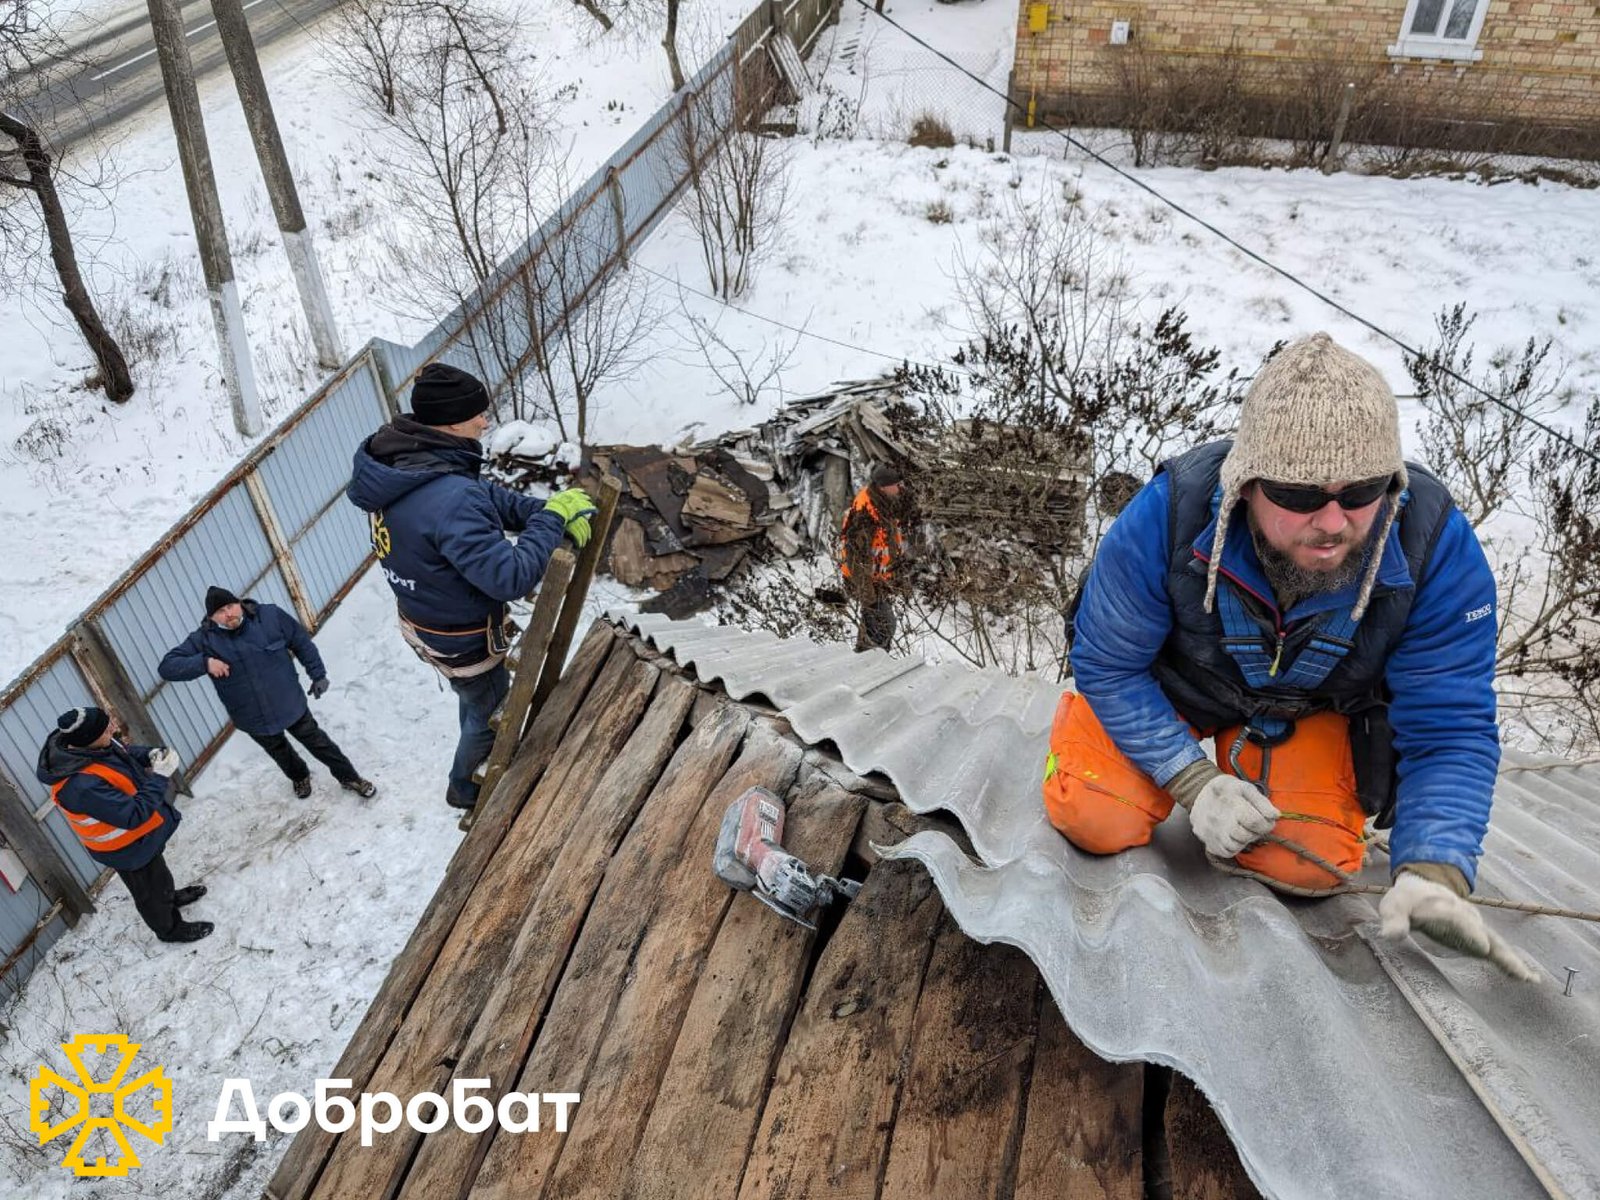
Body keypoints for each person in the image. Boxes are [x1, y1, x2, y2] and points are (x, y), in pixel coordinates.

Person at [1042, 332, 1537, 981]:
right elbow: (1109, 664)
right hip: (1170, 693)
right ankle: (1124, 748)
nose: (1333, 522)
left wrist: (1434, 870)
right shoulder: (1167, 513)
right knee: (1096, 815)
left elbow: (1449, 727)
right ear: (1246, 484)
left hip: (1304, 709)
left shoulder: (1434, 546)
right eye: (1302, 495)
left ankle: (1248, 760)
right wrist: (1193, 782)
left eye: (1360, 492)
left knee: (1307, 865)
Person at [345, 362, 595, 810]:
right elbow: (510, 577)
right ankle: (464, 788)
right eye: (479, 413)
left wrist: (544, 514)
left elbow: (483, 499)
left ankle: (469, 754)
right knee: (487, 711)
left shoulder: (409, 462)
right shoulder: (447, 492)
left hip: (426, 617)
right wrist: (555, 518)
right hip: (459, 635)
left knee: (474, 697)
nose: (486, 421)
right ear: (453, 421)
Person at [159, 587, 375, 800]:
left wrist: (317, 674)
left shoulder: (270, 617)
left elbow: (300, 641)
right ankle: (299, 776)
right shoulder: (204, 640)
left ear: (239, 603)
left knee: (318, 742)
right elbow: (167, 667)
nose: (229, 614)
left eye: (231, 606)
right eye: (220, 612)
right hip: (251, 715)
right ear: (212, 618)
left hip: (288, 702)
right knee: (280, 751)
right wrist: (204, 662)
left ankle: (349, 777)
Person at [36, 707, 212, 943]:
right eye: (106, 727)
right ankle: (169, 929)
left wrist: (151, 755)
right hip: (125, 848)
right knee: (149, 891)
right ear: (89, 739)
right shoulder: (80, 786)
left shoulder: (89, 746)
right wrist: (160, 776)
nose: (113, 727)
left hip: (141, 839)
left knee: (158, 876)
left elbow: (122, 752)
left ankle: (169, 897)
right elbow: (133, 815)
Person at [840, 462, 912, 653]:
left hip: (877, 579)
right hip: (864, 581)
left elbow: (887, 543)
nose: (900, 488)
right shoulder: (866, 513)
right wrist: (868, 596)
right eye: (896, 485)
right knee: (883, 625)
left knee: (876, 629)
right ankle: (871, 667)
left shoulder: (883, 503)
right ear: (883, 486)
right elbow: (856, 559)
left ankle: (869, 663)